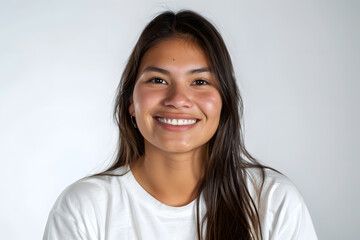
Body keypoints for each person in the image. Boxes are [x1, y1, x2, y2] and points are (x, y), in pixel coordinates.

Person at [43, 10, 317, 240]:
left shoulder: (274, 202)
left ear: (224, 101)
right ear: (130, 101)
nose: (178, 99)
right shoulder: (84, 208)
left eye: (200, 82)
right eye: (158, 80)